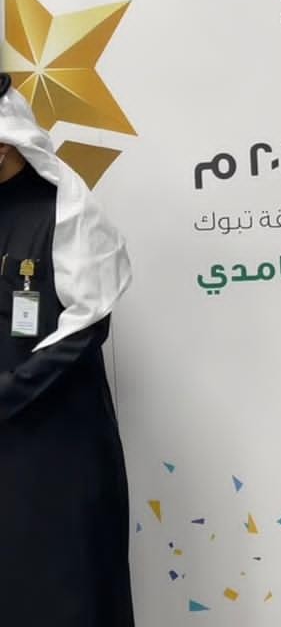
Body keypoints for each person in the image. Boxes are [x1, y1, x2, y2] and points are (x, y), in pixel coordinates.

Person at [0, 73, 134, 626]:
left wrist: (11, 392)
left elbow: (86, 325)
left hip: (55, 441)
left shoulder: (65, 210)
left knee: (66, 587)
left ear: (5, 145)